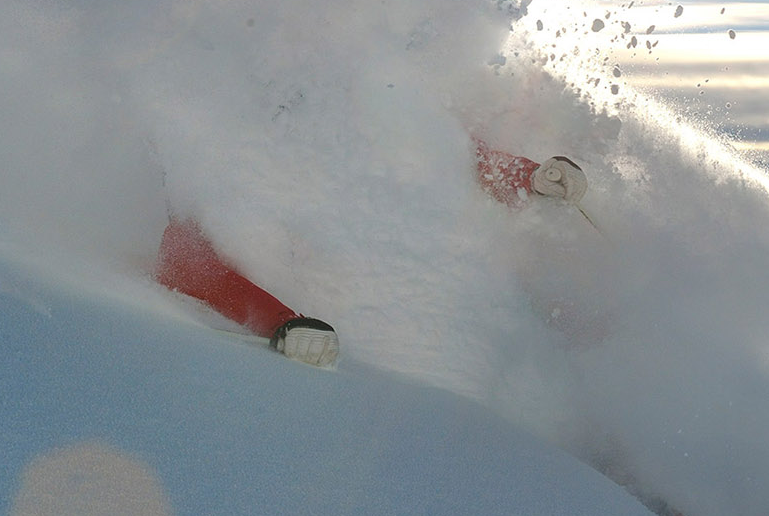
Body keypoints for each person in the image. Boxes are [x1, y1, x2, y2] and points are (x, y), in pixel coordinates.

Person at [152, 143, 587, 367]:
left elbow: (445, 148)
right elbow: (183, 261)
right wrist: (282, 323)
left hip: (455, 305)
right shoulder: (202, 129)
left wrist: (529, 177)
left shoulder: (340, 83)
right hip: (373, 345)